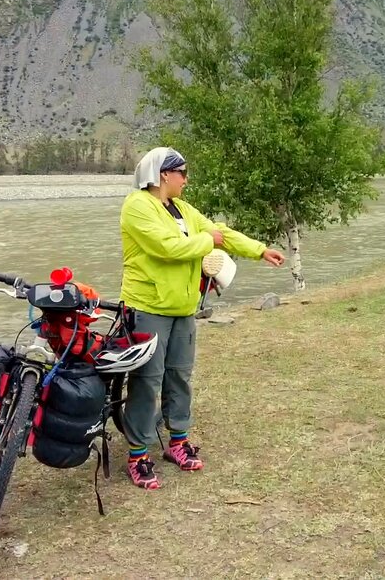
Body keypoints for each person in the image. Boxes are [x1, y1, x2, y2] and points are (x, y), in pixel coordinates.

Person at [118, 146, 286, 489]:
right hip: (148, 308)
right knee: (147, 381)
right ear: (164, 174)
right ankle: (138, 454)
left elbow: (218, 232)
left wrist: (258, 249)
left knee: (179, 376)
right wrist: (207, 240)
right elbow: (168, 248)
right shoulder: (137, 206)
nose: (187, 179)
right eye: (182, 172)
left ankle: (177, 443)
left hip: (183, 309)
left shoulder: (181, 210)